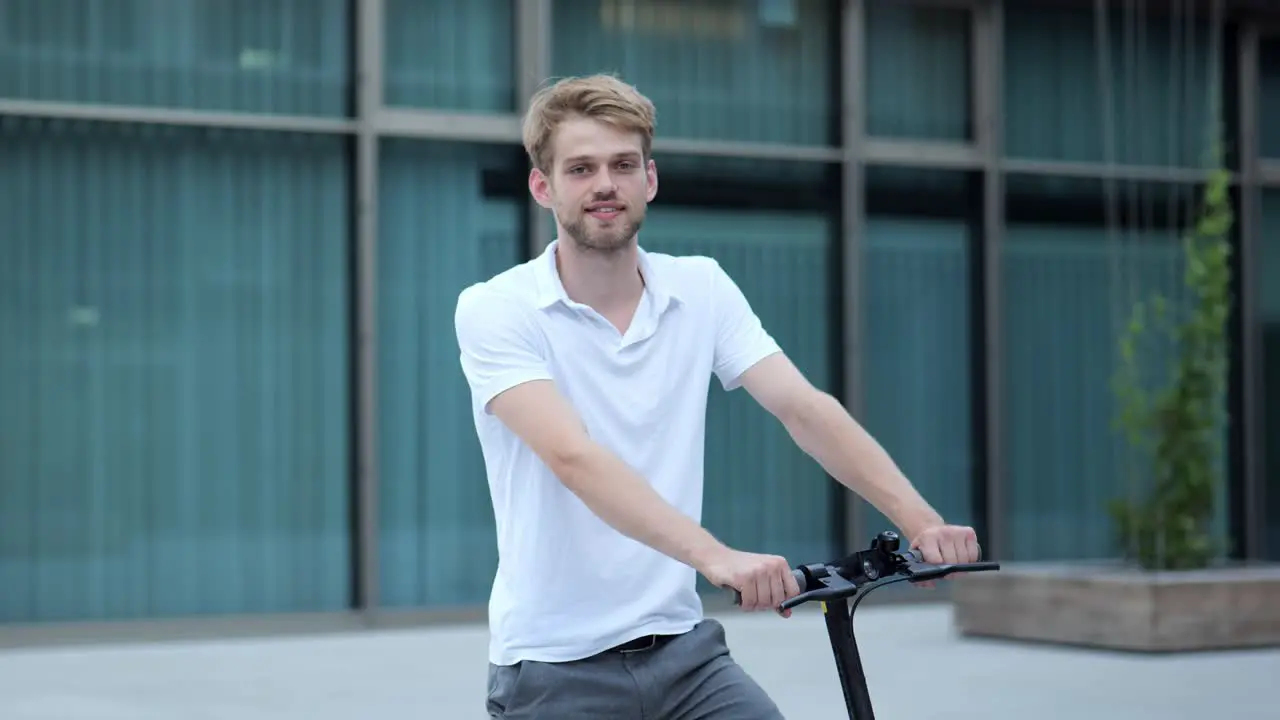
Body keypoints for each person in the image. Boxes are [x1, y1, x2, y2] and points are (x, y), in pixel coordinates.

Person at [454, 73, 981, 719]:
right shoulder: (497, 309)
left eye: (623, 165)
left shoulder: (700, 288)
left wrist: (921, 521)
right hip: (554, 667)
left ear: (649, 179)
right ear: (544, 187)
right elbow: (573, 458)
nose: (604, 185)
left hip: (687, 658)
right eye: (581, 168)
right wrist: (718, 559)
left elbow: (803, 407)